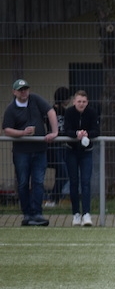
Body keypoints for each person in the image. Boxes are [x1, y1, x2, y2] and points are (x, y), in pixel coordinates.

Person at [3, 79, 58, 226]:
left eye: (26, 89)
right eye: (20, 90)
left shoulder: (36, 99)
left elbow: (51, 112)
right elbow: (7, 129)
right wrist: (22, 133)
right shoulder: (11, 109)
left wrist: (54, 132)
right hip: (21, 153)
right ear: (14, 92)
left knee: (38, 182)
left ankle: (37, 213)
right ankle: (27, 214)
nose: (24, 92)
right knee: (22, 183)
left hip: (39, 150)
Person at [63, 90, 100, 226]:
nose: (81, 104)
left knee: (86, 182)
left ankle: (86, 213)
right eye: (79, 101)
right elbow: (66, 130)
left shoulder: (92, 112)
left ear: (87, 102)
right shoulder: (69, 113)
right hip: (71, 151)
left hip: (86, 152)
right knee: (73, 182)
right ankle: (76, 214)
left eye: (84, 102)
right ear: (74, 102)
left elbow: (97, 130)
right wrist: (76, 134)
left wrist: (86, 134)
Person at [45, 86, 71, 209]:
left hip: (63, 146)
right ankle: (52, 198)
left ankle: (55, 199)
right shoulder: (50, 112)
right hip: (53, 147)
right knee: (64, 173)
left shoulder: (66, 112)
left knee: (62, 173)